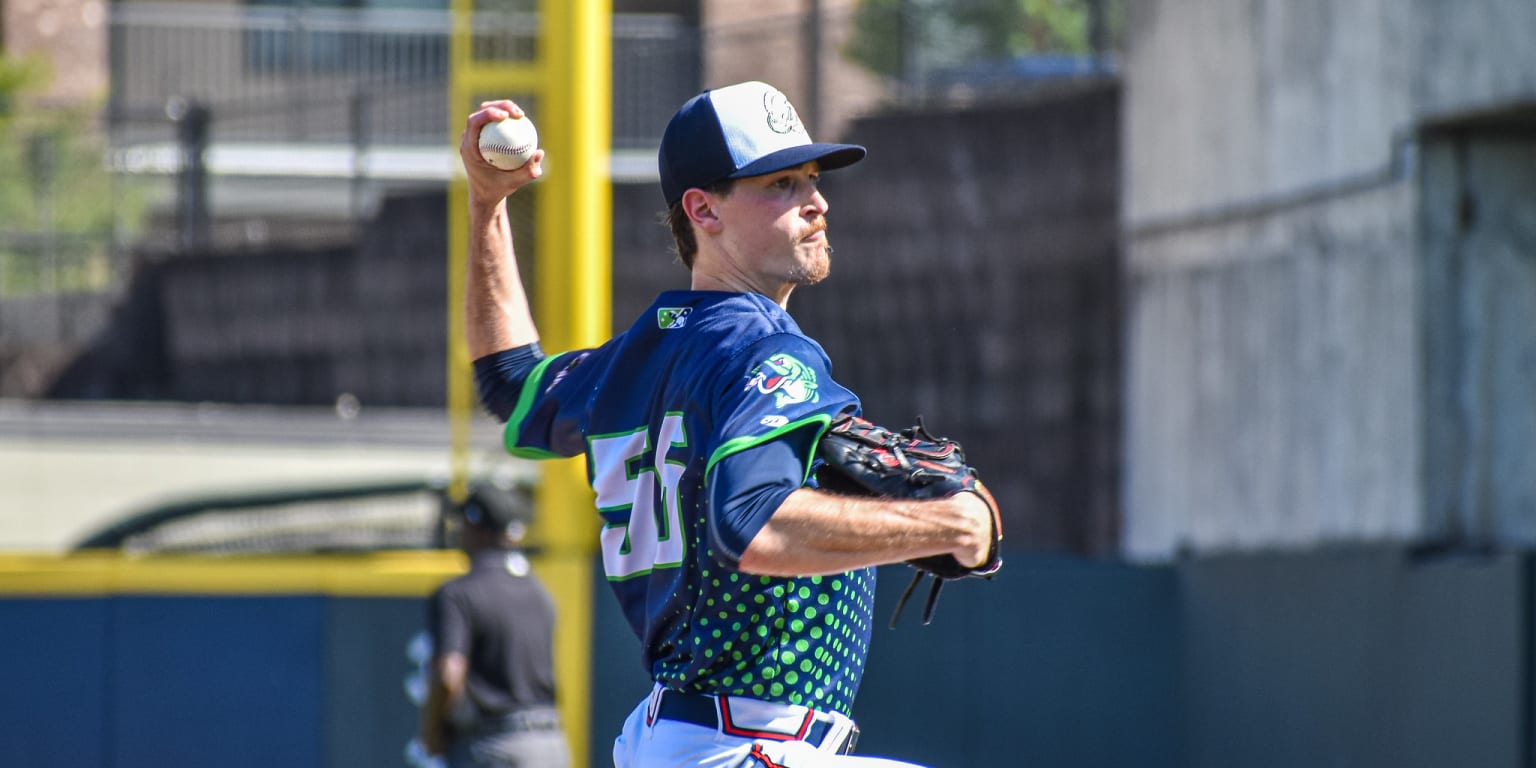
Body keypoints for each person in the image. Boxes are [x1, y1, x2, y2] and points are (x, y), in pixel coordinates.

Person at [458, 81, 999, 767]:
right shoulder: (767, 351)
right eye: (780, 184)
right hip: (749, 743)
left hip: (679, 738)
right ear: (703, 210)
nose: (817, 202)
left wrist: (487, 204)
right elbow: (755, 524)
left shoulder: (634, 358)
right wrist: (952, 523)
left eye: (812, 179)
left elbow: (510, 380)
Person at [420, 481, 570, 768]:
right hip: (550, 747)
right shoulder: (541, 593)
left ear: (476, 527)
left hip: (493, 747)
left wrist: (431, 733)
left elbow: (449, 674)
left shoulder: (459, 593)